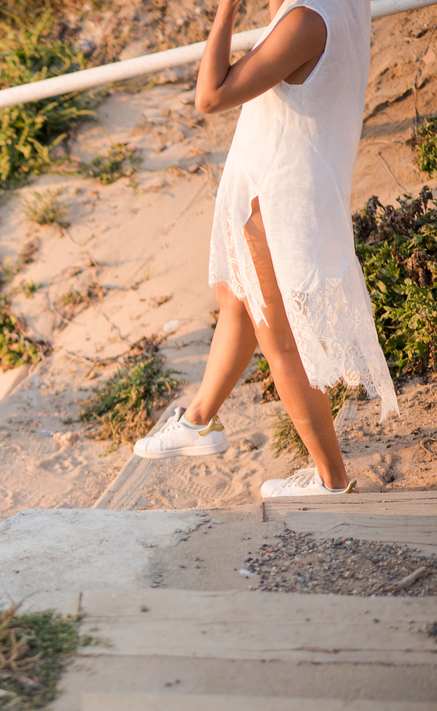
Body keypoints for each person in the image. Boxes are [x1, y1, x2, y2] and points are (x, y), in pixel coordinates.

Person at [132, 0, 398, 497]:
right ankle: (198, 422)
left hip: (276, 196)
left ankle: (331, 478)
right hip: (278, 182)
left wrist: (227, 8)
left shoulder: (304, 21)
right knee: (235, 302)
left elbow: (209, 97)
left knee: (281, 342)